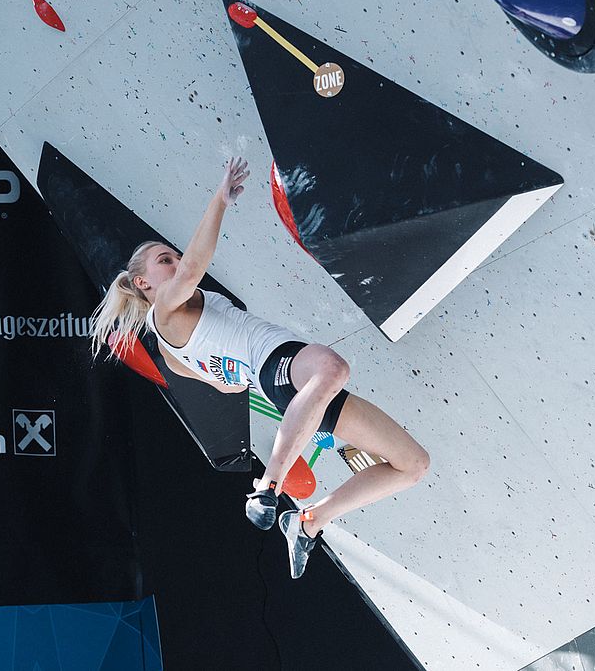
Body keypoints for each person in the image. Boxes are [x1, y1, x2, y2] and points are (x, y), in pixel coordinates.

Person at [89, 157, 430, 578]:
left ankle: (309, 521)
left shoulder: (176, 356)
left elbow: (230, 388)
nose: (177, 262)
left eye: (174, 256)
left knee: (412, 465)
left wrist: (235, 371)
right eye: (165, 260)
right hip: (282, 367)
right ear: (143, 283)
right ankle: (267, 486)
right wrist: (220, 198)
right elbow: (196, 267)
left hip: (292, 389)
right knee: (333, 366)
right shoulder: (162, 311)